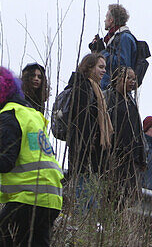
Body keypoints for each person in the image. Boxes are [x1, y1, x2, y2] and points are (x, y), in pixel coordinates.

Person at [0, 66, 63, 247]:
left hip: (28, 197)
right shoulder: (32, 114)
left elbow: (6, 162)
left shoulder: (8, 115)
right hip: (52, 197)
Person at [65, 52, 112, 201]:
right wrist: (86, 148)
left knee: (91, 199)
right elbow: (81, 122)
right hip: (84, 154)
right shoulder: (83, 87)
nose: (104, 71)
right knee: (84, 198)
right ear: (90, 67)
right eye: (101, 67)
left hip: (92, 154)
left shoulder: (96, 90)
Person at [106, 66, 146, 199]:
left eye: (134, 79)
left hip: (131, 158)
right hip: (115, 155)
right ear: (117, 78)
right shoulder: (109, 97)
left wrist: (141, 156)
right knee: (113, 194)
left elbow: (137, 130)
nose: (132, 82)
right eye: (129, 78)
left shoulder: (132, 102)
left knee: (130, 197)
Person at [88, 3, 136, 89]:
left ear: (111, 20)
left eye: (106, 17)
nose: (104, 20)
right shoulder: (115, 38)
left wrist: (102, 52)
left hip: (114, 93)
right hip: (107, 90)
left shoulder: (124, 37)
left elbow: (122, 66)